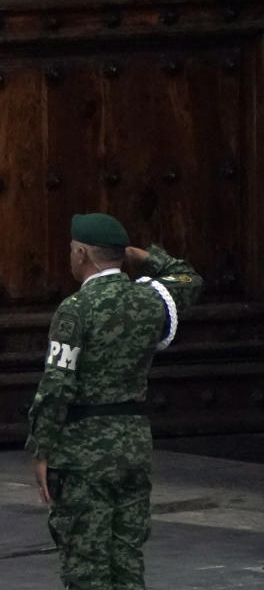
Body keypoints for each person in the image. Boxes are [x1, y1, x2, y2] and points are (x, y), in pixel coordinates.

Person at [26, 213, 203, 590]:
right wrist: (146, 258)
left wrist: (41, 449)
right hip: (134, 445)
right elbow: (189, 278)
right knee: (127, 556)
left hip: (83, 454)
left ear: (81, 254)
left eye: (73, 251)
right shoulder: (150, 299)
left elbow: (57, 385)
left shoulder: (77, 309)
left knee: (86, 563)